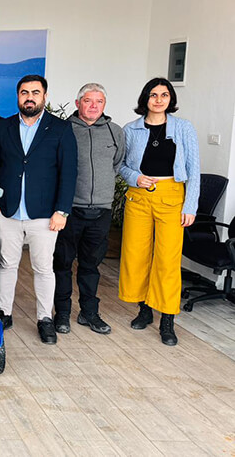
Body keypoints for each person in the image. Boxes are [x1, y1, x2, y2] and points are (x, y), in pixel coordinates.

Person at [0, 74, 77, 345]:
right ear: (18, 96)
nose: (29, 97)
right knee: (7, 264)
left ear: (44, 96)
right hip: (7, 212)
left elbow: (69, 173)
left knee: (44, 268)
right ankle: (4, 313)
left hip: (45, 215)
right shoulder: (3, 127)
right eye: (24, 92)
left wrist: (62, 211)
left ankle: (45, 318)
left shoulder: (60, 129)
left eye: (35, 92)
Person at [119, 77, 199, 346]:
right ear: (145, 98)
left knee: (167, 260)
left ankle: (167, 318)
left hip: (172, 197)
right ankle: (144, 309)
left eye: (164, 95)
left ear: (170, 99)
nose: (158, 100)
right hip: (139, 196)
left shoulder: (184, 128)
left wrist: (190, 205)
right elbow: (121, 166)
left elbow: (194, 170)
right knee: (136, 255)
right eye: (153, 94)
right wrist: (135, 178)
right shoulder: (131, 129)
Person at [52, 83, 125, 335]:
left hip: (101, 211)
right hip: (69, 210)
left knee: (91, 266)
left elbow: (117, 164)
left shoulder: (115, 132)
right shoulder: (64, 130)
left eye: (99, 101)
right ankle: (62, 313)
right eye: (88, 101)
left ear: (104, 104)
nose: (93, 106)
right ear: (77, 103)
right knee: (62, 264)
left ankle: (89, 313)